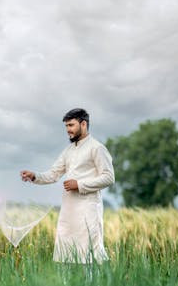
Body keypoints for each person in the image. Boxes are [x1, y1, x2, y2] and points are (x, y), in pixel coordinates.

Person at [20, 108, 115, 265]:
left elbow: (109, 177)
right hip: (69, 211)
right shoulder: (68, 151)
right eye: (66, 126)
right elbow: (54, 174)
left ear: (83, 124)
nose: (68, 130)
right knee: (66, 258)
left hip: (88, 210)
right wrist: (34, 176)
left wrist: (79, 184)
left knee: (88, 258)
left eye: (71, 125)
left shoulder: (97, 148)